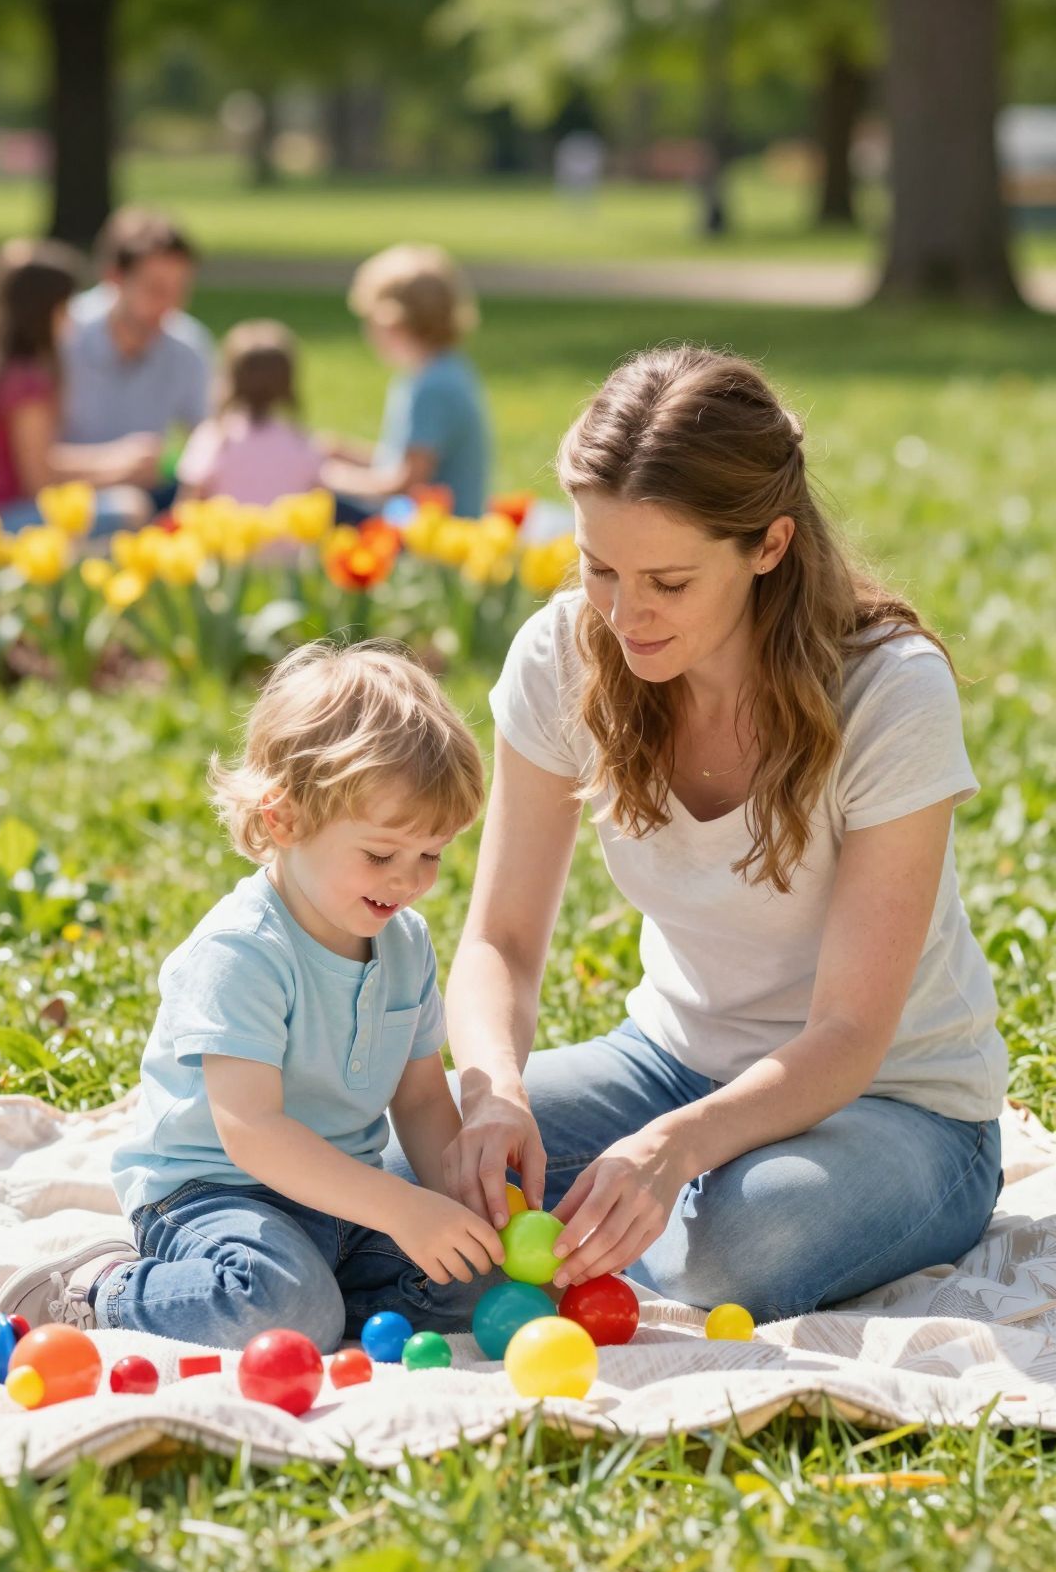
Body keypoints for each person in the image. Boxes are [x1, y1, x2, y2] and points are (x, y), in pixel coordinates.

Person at [437, 345, 1006, 1325]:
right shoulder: (561, 656)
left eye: (667, 578)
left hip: (896, 1103)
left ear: (769, 545)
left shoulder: (887, 690)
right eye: (599, 565)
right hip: (667, 1060)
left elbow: (849, 1036)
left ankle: (604, 1247)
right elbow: (501, 941)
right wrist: (493, 1091)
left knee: (738, 1243)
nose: (623, 612)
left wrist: (675, 1150)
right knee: (415, 1159)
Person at [0, 642, 504, 1350]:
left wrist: (464, 1210)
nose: (410, 880)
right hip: (215, 1191)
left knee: (481, 1281)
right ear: (282, 821)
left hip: (344, 1198)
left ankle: (322, 1298)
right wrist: (401, 1209)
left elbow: (419, 1100)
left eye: (432, 854)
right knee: (284, 1307)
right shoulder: (242, 951)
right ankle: (98, 1291)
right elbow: (252, 1132)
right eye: (383, 854)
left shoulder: (404, 943)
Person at [0, 239, 159, 532]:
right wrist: (118, 469)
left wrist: (113, 456)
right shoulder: (27, 381)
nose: (71, 319)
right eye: (65, 308)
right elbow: (39, 481)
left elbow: (32, 456)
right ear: (44, 312)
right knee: (131, 507)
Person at [320, 244, 491, 519]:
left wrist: (331, 479)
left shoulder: (432, 386)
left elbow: (408, 481)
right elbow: (404, 459)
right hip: (431, 523)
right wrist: (343, 453)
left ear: (393, 322)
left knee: (314, 505)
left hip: (433, 533)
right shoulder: (443, 370)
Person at [62, 207, 213, 507]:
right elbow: (25, 461)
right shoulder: (63, 339)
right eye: (156, 289)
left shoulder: (188, 345)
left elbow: (208, 442)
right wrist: (113, 464)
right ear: (114, 278)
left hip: (150, 497)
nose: (170, 304)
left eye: (179, 289)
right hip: (63, 499)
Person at [175, 320, 323, 503]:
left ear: (229, 380)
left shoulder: (215, 438)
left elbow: (187, 506)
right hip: (286, 533)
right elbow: (318, 502)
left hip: (225, 532)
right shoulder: (301, 442)